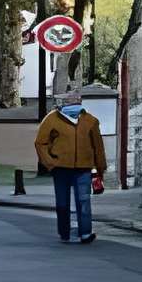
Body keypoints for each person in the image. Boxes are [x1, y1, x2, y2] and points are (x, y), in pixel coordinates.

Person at [34, 83, 106, 244]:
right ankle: (64, 232)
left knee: (84, 201)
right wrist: (50, 163)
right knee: (62, 203)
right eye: (70, 99)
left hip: (84, 167)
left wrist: (100, 167)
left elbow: (97, 146)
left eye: (76, 99)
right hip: (60, 168)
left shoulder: (90, 121)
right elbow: (40, 142)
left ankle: (85, 233)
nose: (73, 101)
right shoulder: (51, 119)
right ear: (63, 102)